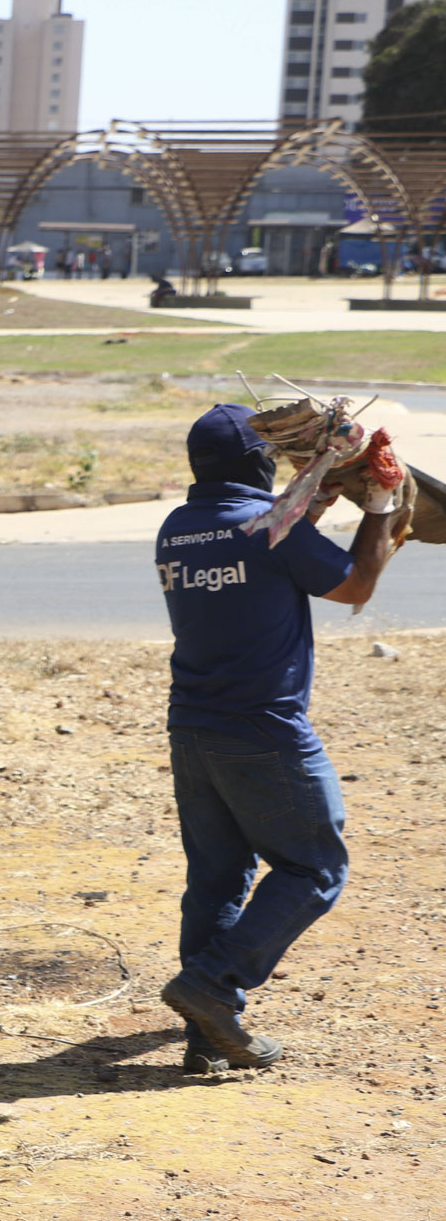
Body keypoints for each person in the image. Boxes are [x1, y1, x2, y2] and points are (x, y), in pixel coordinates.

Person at [154, 404, 397, 1073]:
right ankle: (213, 985)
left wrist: (312, 496)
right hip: (265, 731)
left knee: (216, 878)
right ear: (260, 463)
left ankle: (209, 1038)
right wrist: (378, 505)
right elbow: (355, 586)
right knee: (315, 867)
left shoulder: (179, 527)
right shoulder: (263, 529)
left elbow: (271, 547)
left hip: (193, 731)